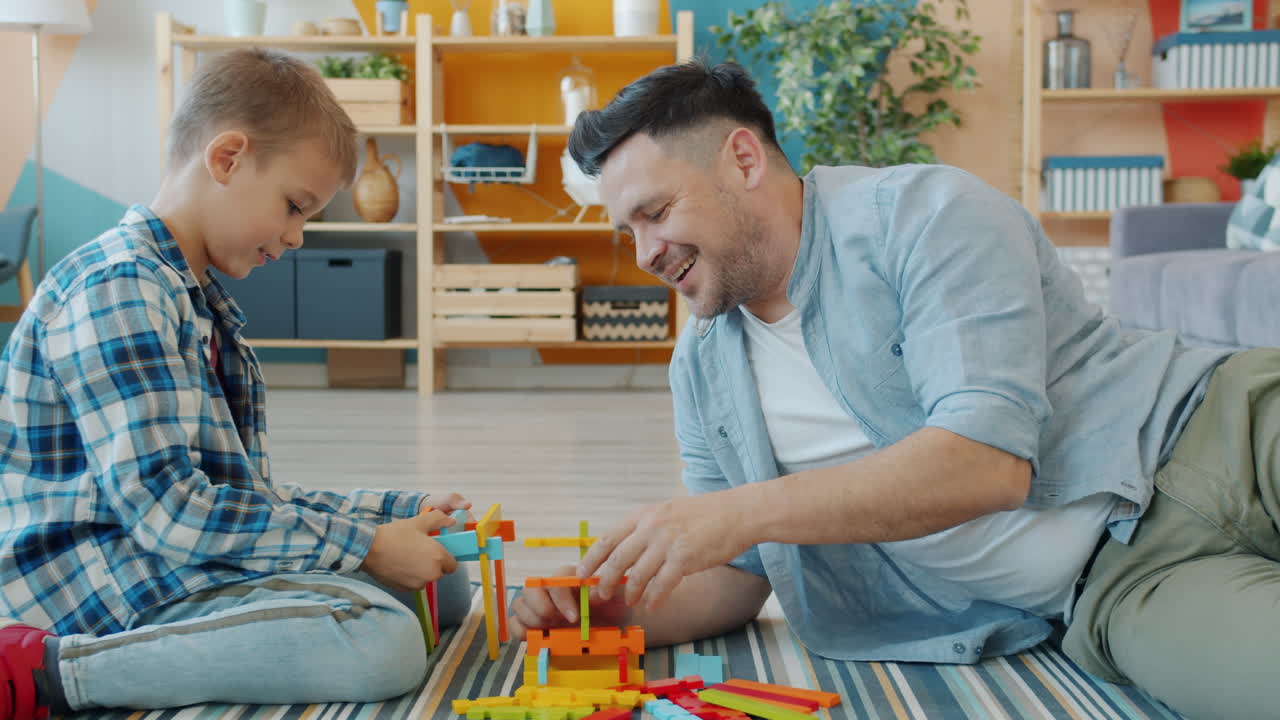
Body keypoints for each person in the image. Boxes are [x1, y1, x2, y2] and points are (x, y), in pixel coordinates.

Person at [508, 59, 1279, 719]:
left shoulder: (926, 216)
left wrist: (735, 513)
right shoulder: (703, 369)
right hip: (1121, 585)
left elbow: (985, 463)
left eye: (656, 212)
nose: (645, 252)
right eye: (628, 231)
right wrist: (613, 611)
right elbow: (741, 572)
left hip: (1224, 430)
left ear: (742, 160)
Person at [0, 48, 470, 719]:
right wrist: (365, 546)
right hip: (95, 582)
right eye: (294, 206)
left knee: (441, 578)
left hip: (163, 557)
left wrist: (389, 513)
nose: (298, 236)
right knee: (382, 641)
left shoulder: (193, 300)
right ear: (226, 159)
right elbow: (171, 511)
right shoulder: (120, 288)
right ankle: (52, 673)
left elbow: (240, 498)